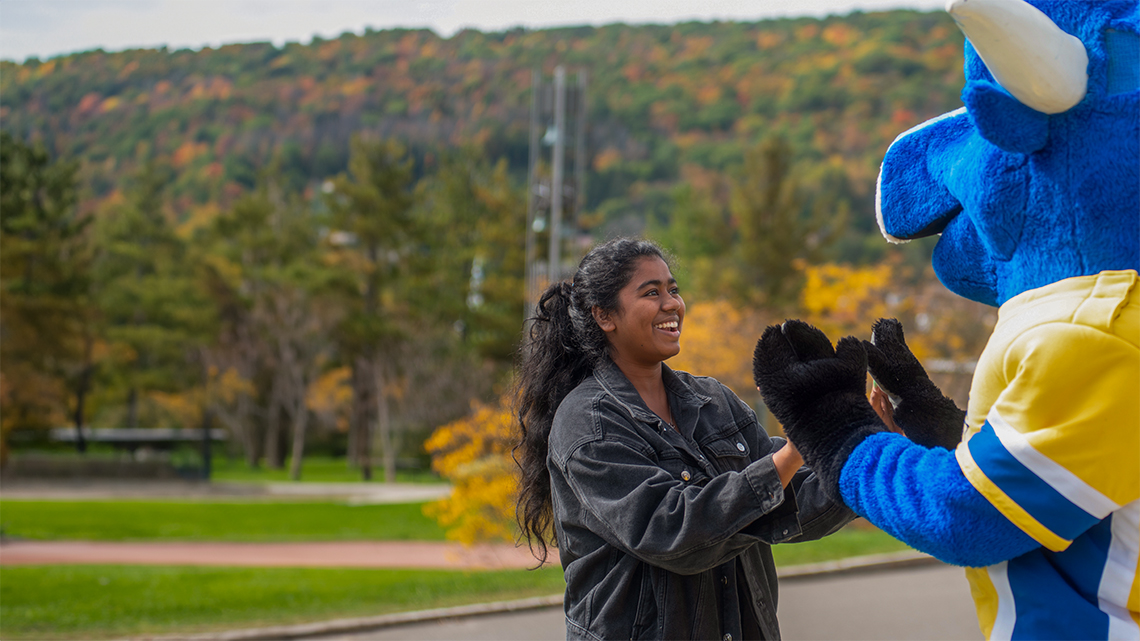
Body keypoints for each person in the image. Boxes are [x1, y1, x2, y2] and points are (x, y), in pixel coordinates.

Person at [513, 237, 855, 641]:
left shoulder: (714, 401)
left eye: (673, 290)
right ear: (605, 315)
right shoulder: (588, 422)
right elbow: (671, 530)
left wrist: (871, 449)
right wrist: (792, 453)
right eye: (651, 293)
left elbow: (795, 497)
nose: (672, 304)